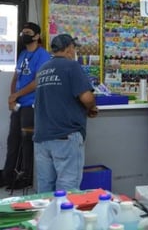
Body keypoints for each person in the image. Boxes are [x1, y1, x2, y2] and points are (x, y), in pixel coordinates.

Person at [33, 34, 98, 192]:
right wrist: (92, 108)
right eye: (74, 48)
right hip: (65, 135)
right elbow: (87, 97)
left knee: (45, 189)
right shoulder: (72, 66)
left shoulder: (42, 69)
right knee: (67, 188)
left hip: (42, 138)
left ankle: (46, 217)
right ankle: (64, 217)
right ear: (69, 49)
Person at [1, 22, 51, 189]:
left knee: (27, 141)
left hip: (32, 105)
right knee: (13, 140)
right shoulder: (22, 54)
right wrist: (12, 97)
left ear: (36, 36)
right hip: (19, 105)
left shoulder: (43, 55)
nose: (24, 35)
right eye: (22, 32)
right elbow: (16, 77)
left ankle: (26, 176)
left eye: (28, 32)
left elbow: (37, 81)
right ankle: (8, 175)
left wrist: (17, 95)